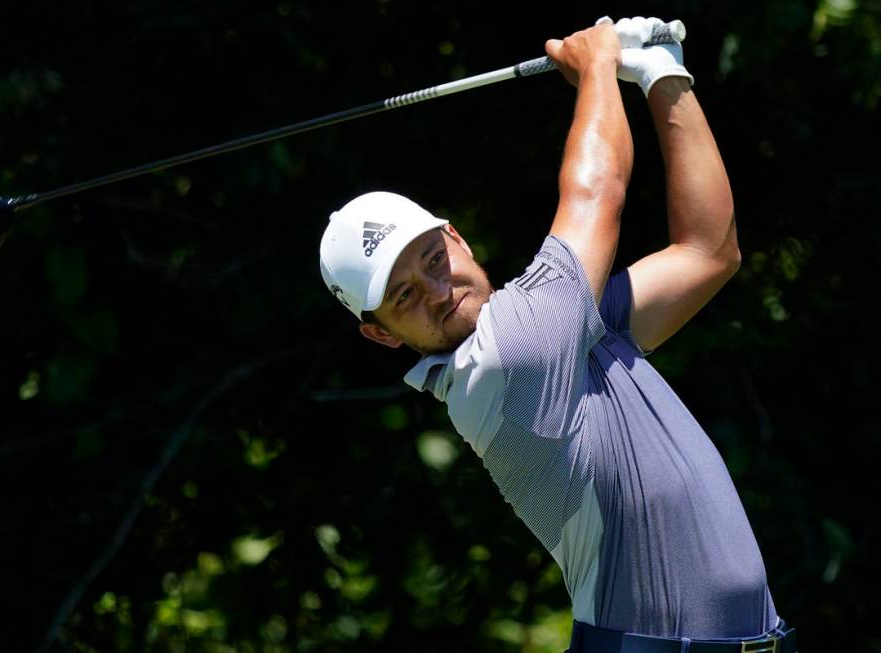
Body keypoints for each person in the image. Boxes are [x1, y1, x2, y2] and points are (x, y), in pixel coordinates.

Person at [319, 16, 797, 653]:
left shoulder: (566, 327)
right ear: (381, 336)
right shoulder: (504, 362)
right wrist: (598, 63)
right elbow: (597, 192)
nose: (438, 291)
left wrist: (662, 74)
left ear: (455, 237)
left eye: (433, 258)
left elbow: (709, 250)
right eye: (404, 295)